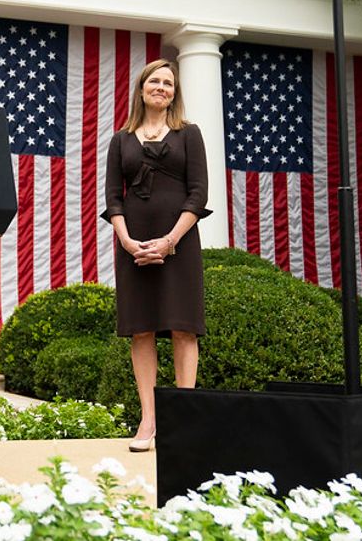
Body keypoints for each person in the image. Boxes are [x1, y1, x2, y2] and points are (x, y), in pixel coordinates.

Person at [102, 58, 211, 453]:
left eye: (168, 83)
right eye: (155, 81)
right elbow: (114, 197)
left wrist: (169, 241)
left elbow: (198, 193)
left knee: (183, 327)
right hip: (134, 245)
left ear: (173, 93)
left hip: (178, 244)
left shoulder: (189, 135)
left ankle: (183, 419)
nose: (161, 87)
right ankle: (148, 420)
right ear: (142, 89)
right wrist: (129, 242)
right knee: (142, 329)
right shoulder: (121, 140)